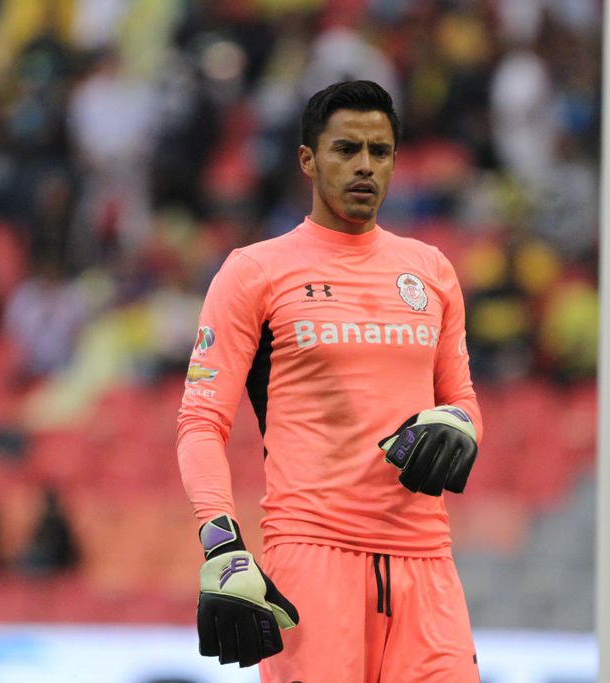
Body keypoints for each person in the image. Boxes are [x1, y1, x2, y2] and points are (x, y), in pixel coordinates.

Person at [176, 80, 483, 683]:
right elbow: (200, 422)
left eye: (380, 151)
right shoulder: (254, 272)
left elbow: (462, 401)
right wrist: (221, 542)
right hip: (312, 560)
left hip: (427, 563)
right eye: (346, 149)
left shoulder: (431, 271)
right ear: (308, 160)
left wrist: (461, 425)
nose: (365, 165)